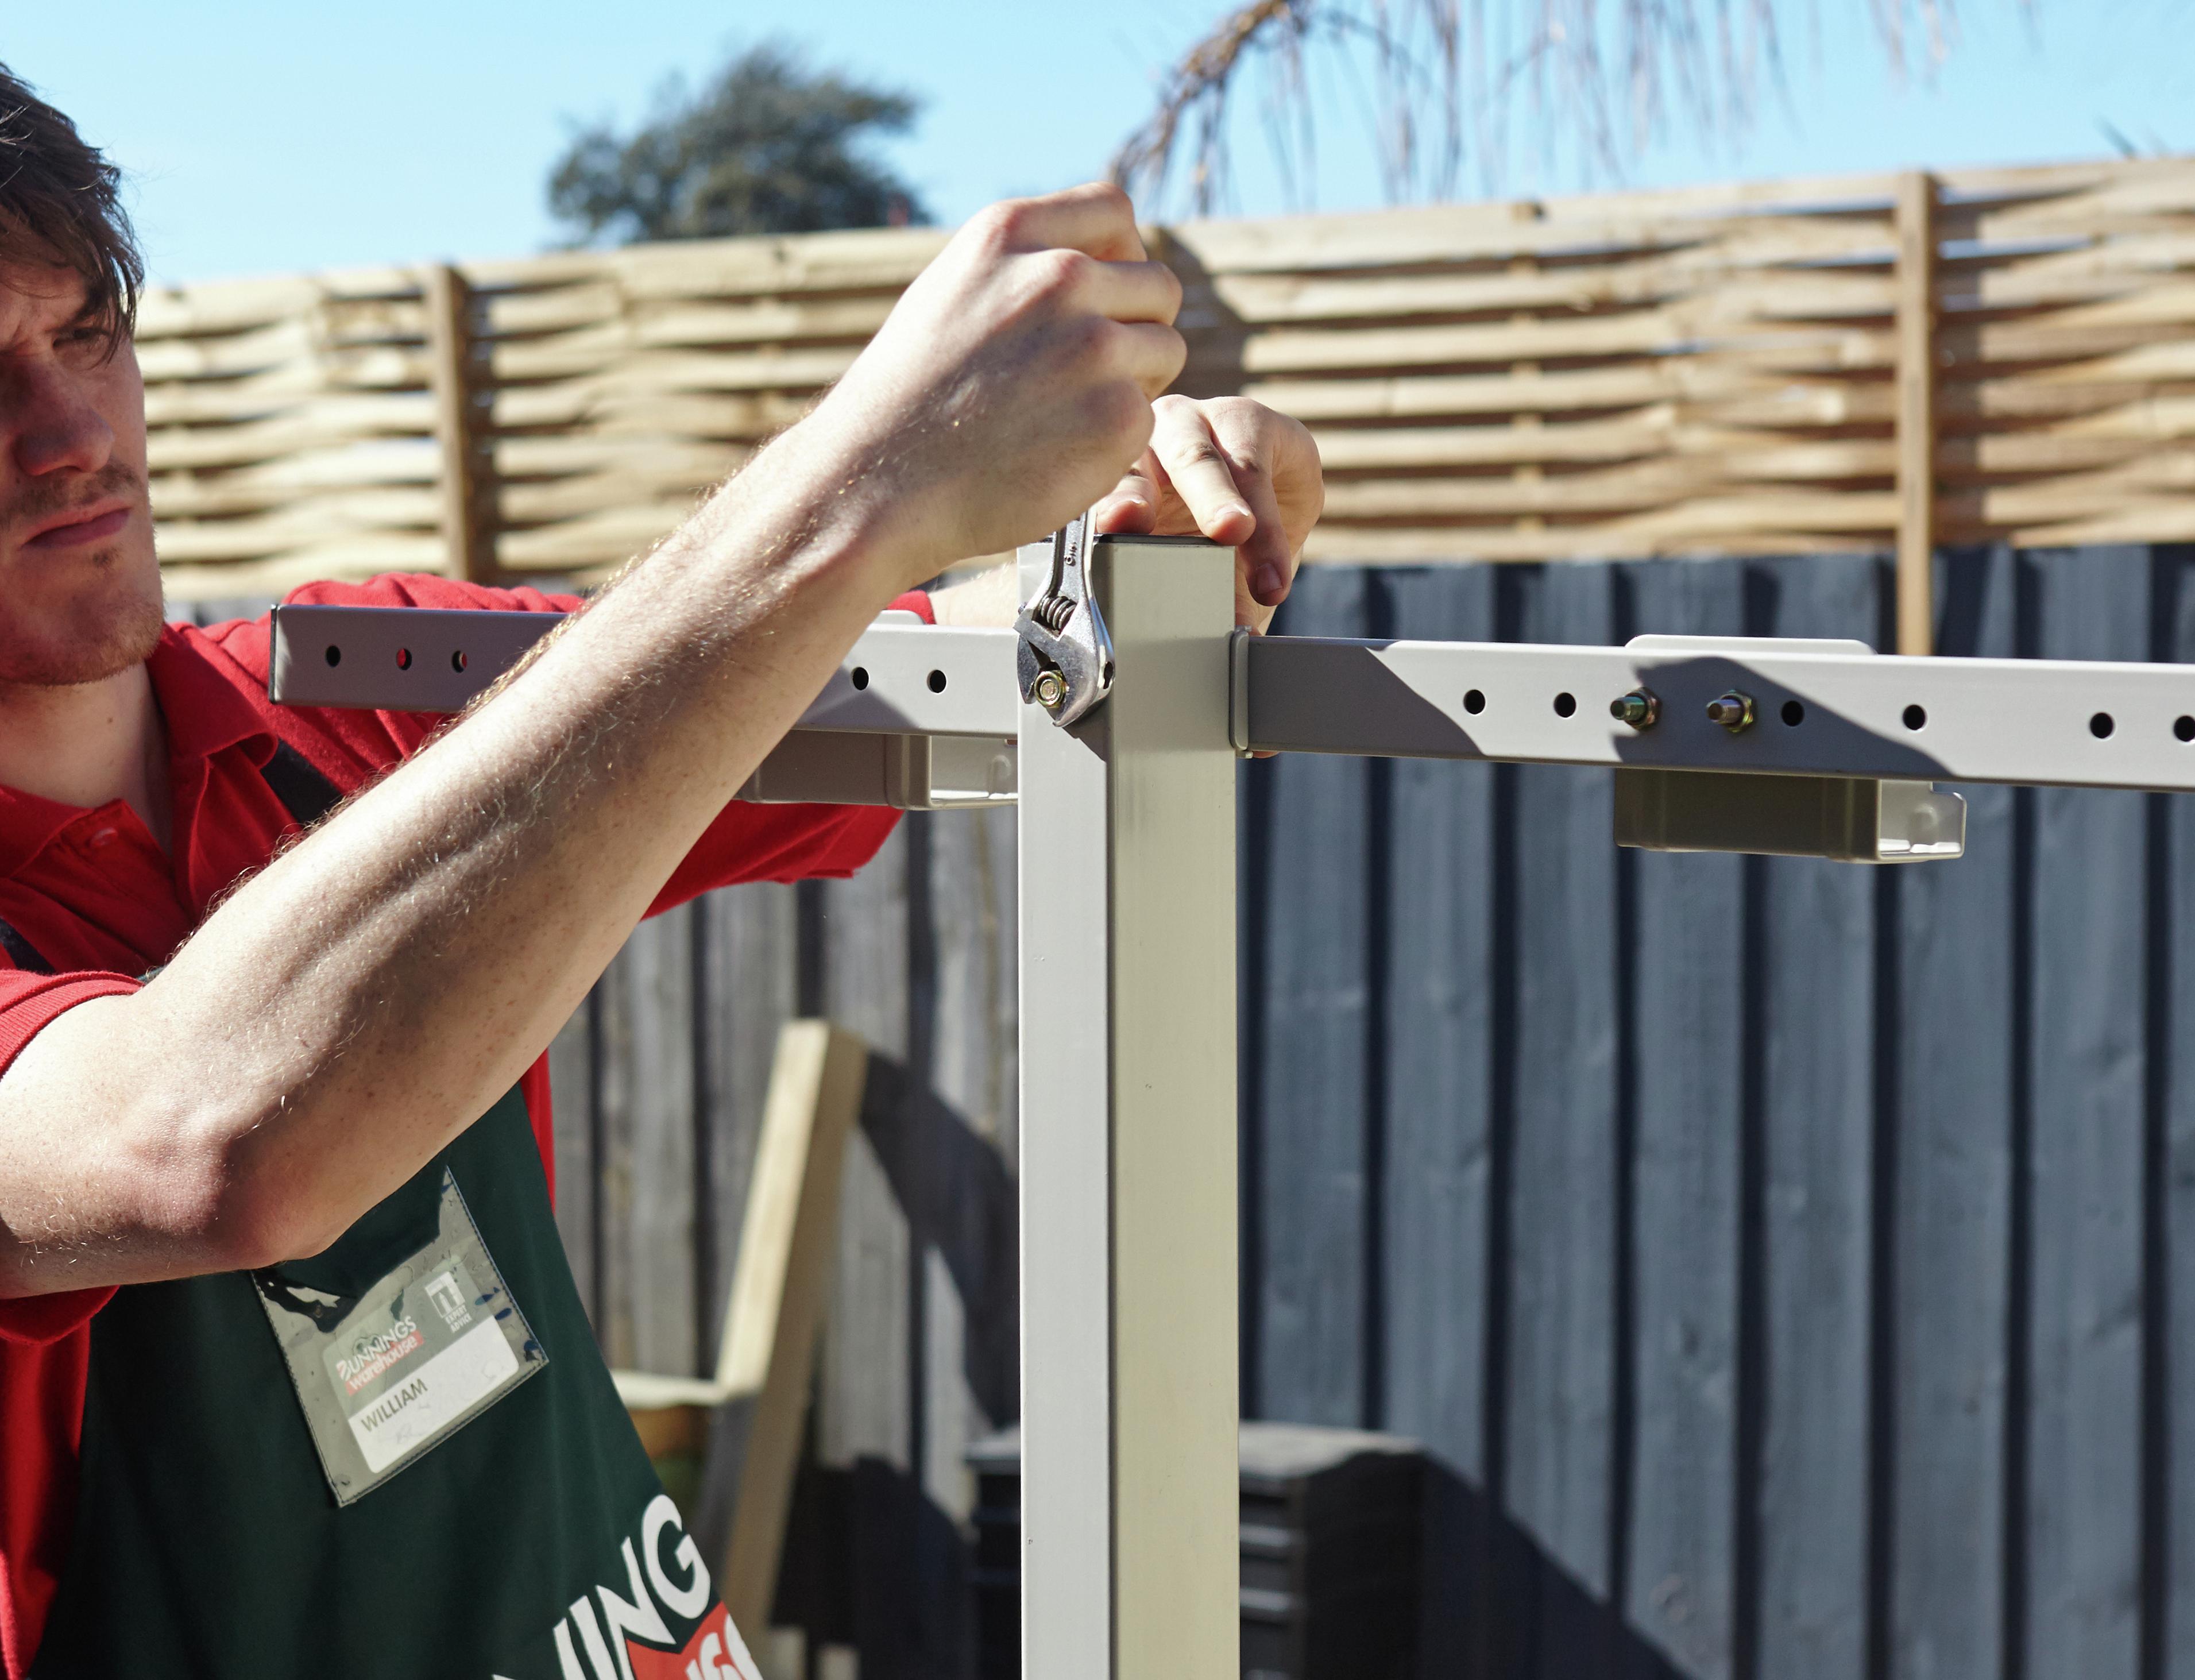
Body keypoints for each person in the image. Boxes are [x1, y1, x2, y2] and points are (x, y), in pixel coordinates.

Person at [0, 66, 1324, 1680]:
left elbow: (924, 684)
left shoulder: (349, 694)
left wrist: (1145, 553)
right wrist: (857, 478)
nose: (70, 436)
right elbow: (205, 1146)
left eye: (87, 337)